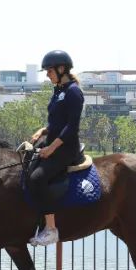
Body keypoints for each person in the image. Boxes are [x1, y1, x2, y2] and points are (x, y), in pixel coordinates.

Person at [27, 50, 84, 246]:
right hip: (52, 142)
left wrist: (51, 148)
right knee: (26, 169)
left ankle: (51, 230)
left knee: (38, 178)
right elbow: (57, 122)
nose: (47, 75)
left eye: (49, 71)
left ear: (61, 69)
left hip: (66, 149)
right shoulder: (58, 91)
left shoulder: (73, 92)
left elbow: (71, 126)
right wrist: (43, 131)